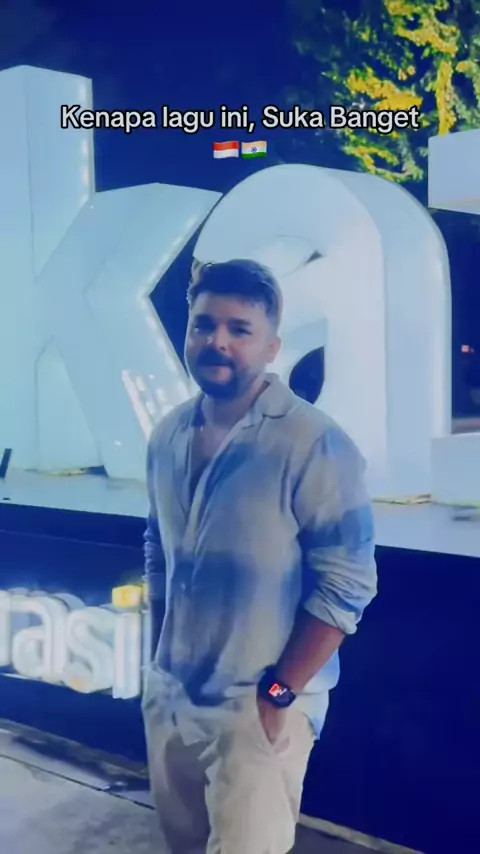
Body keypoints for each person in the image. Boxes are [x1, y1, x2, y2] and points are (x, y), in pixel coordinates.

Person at [142, 258, 377, 854]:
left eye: (239, 329)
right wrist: (157, 665)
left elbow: (347, 586)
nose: (216, 341)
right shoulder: (167, 434)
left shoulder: (314, 442)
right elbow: (157, 549)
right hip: (172, 698)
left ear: (272, 347)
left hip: (257, 708)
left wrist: (277, 697)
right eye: (203, 324)